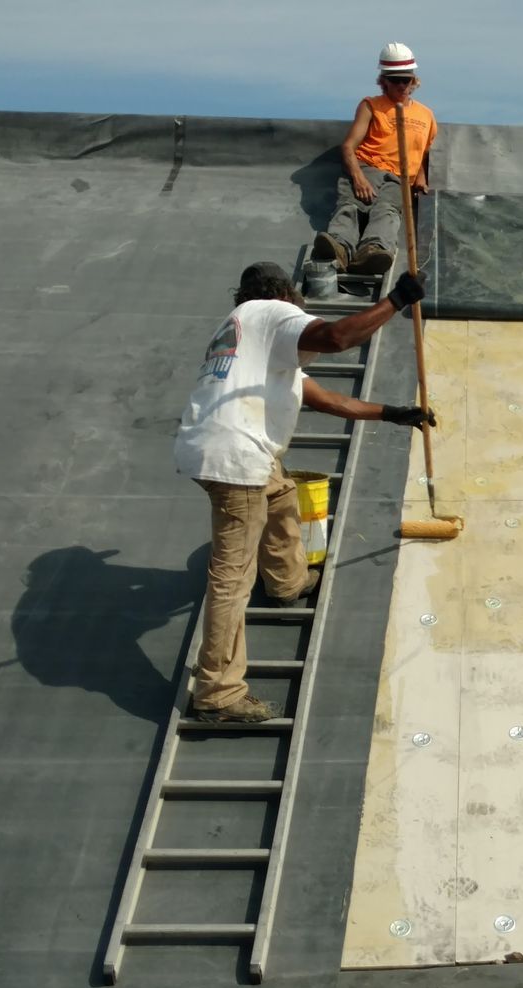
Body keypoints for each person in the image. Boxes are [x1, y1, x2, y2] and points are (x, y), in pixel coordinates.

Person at [174, 263, 431, 721]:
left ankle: (288, 581)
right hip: (236, 458)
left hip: (220, 447)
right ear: (287, 297)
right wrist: (396, 301)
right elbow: (336, 338)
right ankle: (217, 693)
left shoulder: (249, 342)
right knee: (232, 578)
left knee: (280, 495)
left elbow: (332, 401)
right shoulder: (272, 313)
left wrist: (394, 413)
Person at [312, 42, 438, 276]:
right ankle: (338, 247)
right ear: (384, 81)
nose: (401, 85)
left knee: (388, 211)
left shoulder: (426, 115)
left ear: (414, 81)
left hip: (399, 179)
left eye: (406, 80)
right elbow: (348, 146)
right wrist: (358, 178)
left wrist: (421, 177)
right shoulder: (371, 106)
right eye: (395, 79)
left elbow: (424, 152)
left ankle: (373, 251)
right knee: (351, 206)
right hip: (367, 167)